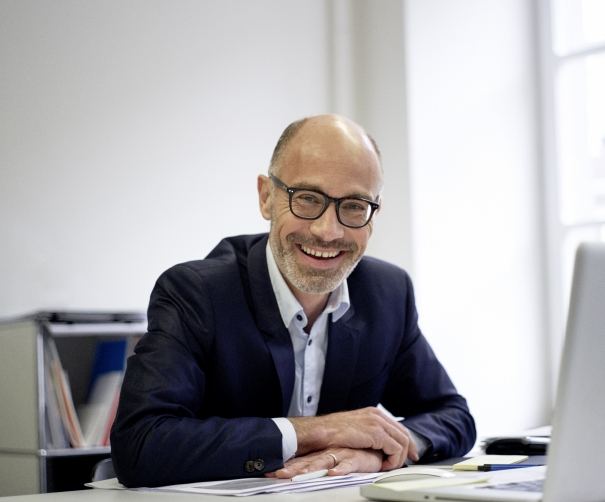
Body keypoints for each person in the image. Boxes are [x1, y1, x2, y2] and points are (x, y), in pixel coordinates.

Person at [110, 114, 475, 488]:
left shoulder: (388, 293)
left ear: (374, 213)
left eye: (353, 205)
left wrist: (382, 450)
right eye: (307, 199)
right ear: (266, 197)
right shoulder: (196, 293)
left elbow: (454, 416)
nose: (327, 231)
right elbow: (140, 444)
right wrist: (320, 431)